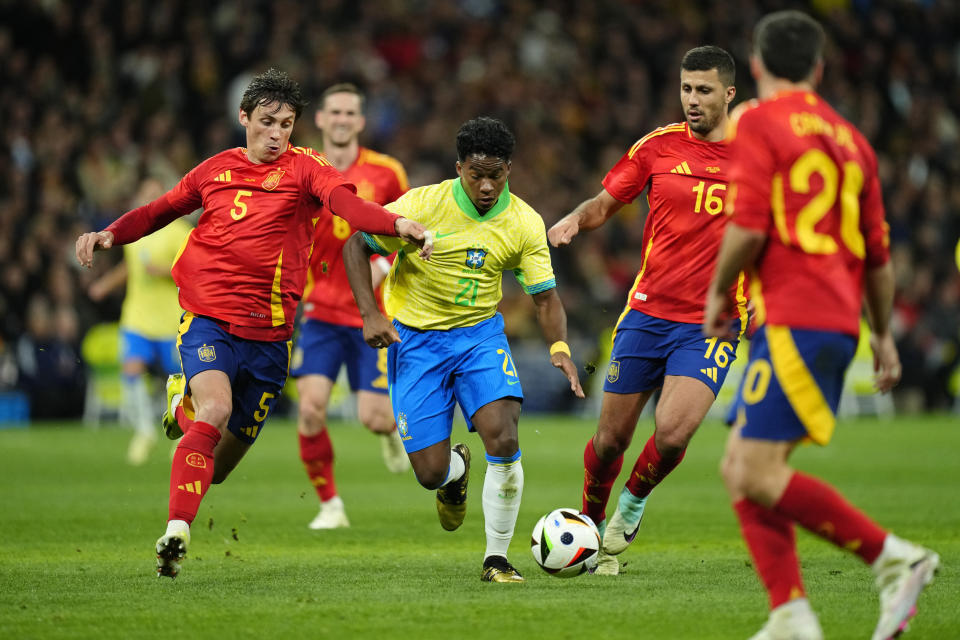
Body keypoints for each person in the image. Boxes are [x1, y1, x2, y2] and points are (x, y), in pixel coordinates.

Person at [75, 68, 430, 579]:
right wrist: (111, 234)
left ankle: (183, 404)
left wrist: (393, 223)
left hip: (271, 341)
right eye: (266, 122)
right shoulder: (215, 169)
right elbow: (159, 210)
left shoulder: (307, 168)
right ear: (244, 118)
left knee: (215, 471)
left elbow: (347, 205)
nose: (276, 133)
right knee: (216, 410)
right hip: (210, 320)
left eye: (286, 124)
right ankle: (177, 532)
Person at [702, 11, 939, 640]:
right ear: (819, 68)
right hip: (835, 321)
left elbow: (749, 226)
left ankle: (894, 559)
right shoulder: (851, 139)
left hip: (794, 318)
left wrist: (719, 292)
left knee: (752, 470)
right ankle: (790, 613)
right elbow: (878, 255)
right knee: (743, 464)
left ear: (754, 65)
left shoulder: (756, 119)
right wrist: (883, 334)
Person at [344, 116, 584, 583]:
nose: (488, 185)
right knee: (430, 473)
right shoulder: (424, 205)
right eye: (478, 175)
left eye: (497, 174)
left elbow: (545, 297)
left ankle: (496, 558)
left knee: (505, 437)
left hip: (478, 336)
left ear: (509, 170)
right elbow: (358, 244)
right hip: (414, 340)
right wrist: (371, 315)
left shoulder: (523, 223)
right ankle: (455, 473)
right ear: (460, 168)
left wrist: (559, 345)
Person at [547, 46, 745, 575]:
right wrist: (574, 219)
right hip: (647, 313)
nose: (692, 100)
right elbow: (605, 203)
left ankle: (632, 505)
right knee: (610, 441)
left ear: (729, 93)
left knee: (674, 431)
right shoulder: (658, 147)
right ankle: (590, 528)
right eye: (685, 88)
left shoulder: (757, 159)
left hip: (714, 320)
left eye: (703, 90)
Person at [292, 83, 410, 531]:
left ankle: (390, 436)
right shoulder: (302, 168)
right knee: (310, 409)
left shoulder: (386, 172)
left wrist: (382, 262)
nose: (342, 119)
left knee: (376, 418)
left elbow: (408, 228)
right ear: (320, 119)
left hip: (372, 311)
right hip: (318, 310)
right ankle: (330, 505)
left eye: (350, 113)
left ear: (361, 122)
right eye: (334, 112)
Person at [88, 177, 192, 465]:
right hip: (137, 317)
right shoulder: (137, 231)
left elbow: (193, 269)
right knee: (131, 368)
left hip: (171, 320)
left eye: (155, 194)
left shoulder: (179, 232)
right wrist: (105, 285)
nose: (150, 198)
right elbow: (129, 267)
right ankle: (144, 431)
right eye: (145, 193)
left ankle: (184, 434)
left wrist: (165, 272)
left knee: (182, 380)